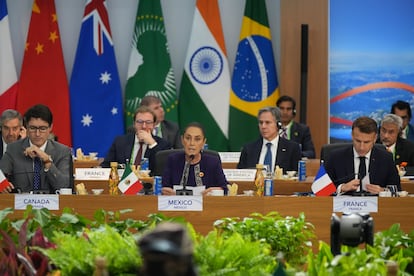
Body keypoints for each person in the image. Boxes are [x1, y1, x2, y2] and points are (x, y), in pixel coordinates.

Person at [0, 104, 72, 193]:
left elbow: (64, 186)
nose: (37, 134)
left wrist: (47, 161)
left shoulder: (63, 151)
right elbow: (1, 176)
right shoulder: (13, 149)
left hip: (53, 205)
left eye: (42, 128)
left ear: (50, 127)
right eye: (33, 128)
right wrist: (2, 185)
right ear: (26, 127)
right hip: (21, 204)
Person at [325, 116, 401, 195]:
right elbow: (319, 190)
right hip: (343, 206)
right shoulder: (336, 157)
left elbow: (397, 191)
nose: (361, 147)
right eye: (358, 141)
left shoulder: (386, 159)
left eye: (366, 142)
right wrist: (341, 188)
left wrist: (383, 191)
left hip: (377, 206)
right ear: (352, 135)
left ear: (375, 138)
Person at [161, 122, 227, 196]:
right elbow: (164, 187)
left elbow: (225, 189)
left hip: (206, 205)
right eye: (188, 138)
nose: (192, 143)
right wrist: (167, 192)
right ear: (182, 140)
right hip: (176, 205)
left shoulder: (213, 162)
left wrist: (214, 191)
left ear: (203, 142)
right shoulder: (173, 160)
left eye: (197, 139)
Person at [102, 106, 170, 174]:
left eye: (148, 122)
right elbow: (106, 166)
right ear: (134, 124)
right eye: (140, 122)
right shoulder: (120, 141)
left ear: (154, 125)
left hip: (149, 183)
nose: (144, 126)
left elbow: (163, 170)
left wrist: (152, 144)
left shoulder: (163, 144)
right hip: (124, 182)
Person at [237, 106, 301, 173]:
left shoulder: (292, 148)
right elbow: (241, 174)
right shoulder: (248, 149)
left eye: (267, 122)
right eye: (261, 123)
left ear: (278, 124)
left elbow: (297, 176)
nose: (263, 126)